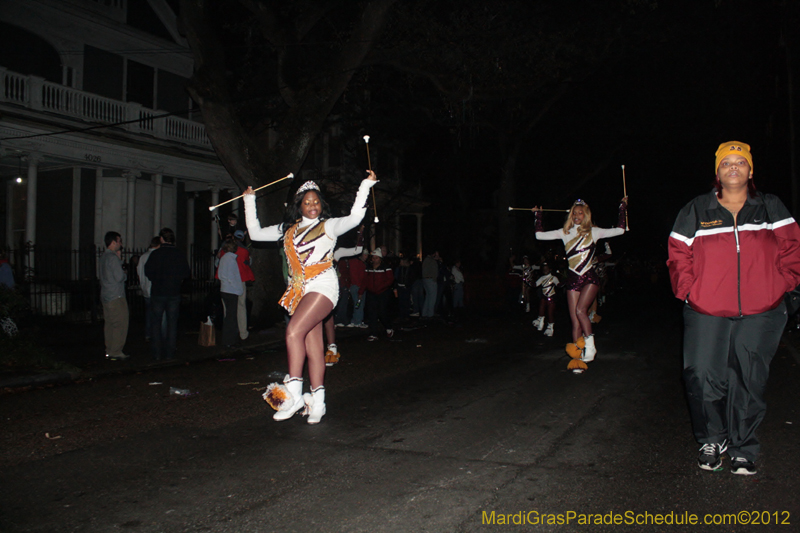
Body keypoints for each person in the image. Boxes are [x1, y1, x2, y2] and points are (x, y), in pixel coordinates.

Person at [667, 141, 800, 475]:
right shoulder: (697, 209)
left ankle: (743, 447)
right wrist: (688, 291)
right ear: (717, 172)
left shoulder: (770, 207)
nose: (734, 167)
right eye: (727, 163)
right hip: (705, 309)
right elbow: (678, 252)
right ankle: (712, 438)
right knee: (701, 374)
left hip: (762, 311)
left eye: (741, 162)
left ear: (750, 170)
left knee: (748, 378)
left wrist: (783, 284)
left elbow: (792, 248)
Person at [244, 170, 378, 424]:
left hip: (324, 286)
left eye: (316, 201)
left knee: (294, 332)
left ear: (322, 204)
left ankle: (293, 393)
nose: (313, 206)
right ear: (299, 206)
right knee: (313, 347)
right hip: (300, 291)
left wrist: (365, 185)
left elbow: (355, 216)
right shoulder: (287, 230)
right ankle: (318, 402)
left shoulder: (329, 226)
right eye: (307, 202)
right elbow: (255, 233)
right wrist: (249, 201)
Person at [533, 196, 627, 373]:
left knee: (581, 310)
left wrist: (622, 207)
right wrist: (538, 215)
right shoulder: (564, 232)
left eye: (580, 213)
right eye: (574, 213)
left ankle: (590, 346)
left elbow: (621, 230)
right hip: (573, 279)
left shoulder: (594, 231)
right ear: (571, 215)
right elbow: (539, 235)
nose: (577, 216)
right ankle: (578, 360)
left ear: (586, 215)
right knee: (575, 321)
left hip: (590, 278)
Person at [145, 227, 191, 362]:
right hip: (173, 292)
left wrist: (157, 278)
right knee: (172, 323)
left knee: (156, 323)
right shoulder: (179, 254)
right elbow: (186, 273)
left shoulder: (156, 254)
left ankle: (157, 353)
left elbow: (148, 272)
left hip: (158, 292)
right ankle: (170, 353)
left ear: (161, 239)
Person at [216, 230, 254, 340]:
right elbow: (248, 263)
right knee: (241, 307)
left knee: (227, 309)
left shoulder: (224, 250)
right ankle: (243, 333)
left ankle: (228, 331)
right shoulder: (245, 251)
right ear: (242, 238)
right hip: (240, 280)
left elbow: (218, 261)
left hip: (225, 283)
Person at [99, 231, 129, 360]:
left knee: (110, 324)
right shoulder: (112, 258)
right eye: (119, 241)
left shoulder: (104, 257)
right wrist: (124, 272)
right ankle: (116, 351)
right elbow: (119, 277)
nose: (121, 244)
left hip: (106, 295)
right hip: (116, 296)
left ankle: (109, 349)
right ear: (113, 242)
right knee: (120, 323)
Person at [364, 248, 395, 341]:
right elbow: (365, 280)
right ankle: (373, 333)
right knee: (372, 313)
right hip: (371, 294)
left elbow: (390, 280)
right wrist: (361, 292)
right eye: (373, 258)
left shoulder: (386, 267)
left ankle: (388, 327)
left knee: (382, 312)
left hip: (383, 293)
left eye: (376, 258)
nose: (374, 259)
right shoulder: (368, 267)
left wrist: (382, 287)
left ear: (380, 258)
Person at [217, 238, 243, 347]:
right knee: (231, 317)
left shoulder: (223, 258)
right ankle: (230, 340)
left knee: (228, 315)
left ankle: (228, 339)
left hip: (224, 289)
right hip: (231, 291)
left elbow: (220, 274)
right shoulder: (231, 260)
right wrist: (238, 289)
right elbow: (232, 277)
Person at [137, 236, 161, 341]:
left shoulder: (143, 256)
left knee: (148, 313)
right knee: (157, 314)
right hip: (155, 289)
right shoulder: (156, 256)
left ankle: (148, 333)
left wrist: (142, 285)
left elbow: (139, 272)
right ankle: (156, 334)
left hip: (146, 289)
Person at [532, 263, 560, 336]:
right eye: (544, 269)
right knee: (541, 310)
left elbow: (558, 284)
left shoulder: (553, 278)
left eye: (546, 268)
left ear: (550, 269)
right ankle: (540, 324)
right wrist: (527, 279)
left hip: (551, 298)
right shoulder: (541, 278)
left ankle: (550, 328)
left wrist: (566, 281)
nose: (545, 270)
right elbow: (535, 285)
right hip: (543, 298)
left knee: (550, 313)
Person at [421, 251, 439, 317]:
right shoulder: (431, 261)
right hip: (431, 280)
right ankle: (430, 314)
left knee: (428, 297)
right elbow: (435, 270)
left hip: (425, 280)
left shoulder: (426, 260)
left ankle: (425, 313)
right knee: (432, 298)